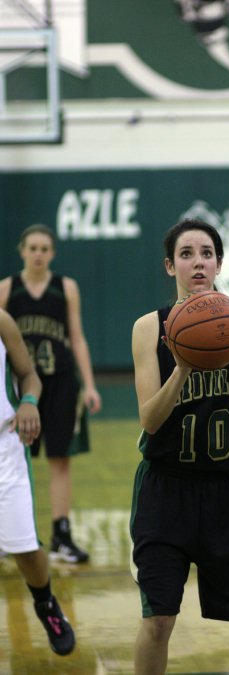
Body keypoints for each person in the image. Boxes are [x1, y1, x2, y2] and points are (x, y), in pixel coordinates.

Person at [130, 218, 229, 675]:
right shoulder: (148, 328)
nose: (197, 262)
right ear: (169, 266)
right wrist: (182, 367)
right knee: (158, 620)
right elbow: (150, 420)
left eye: (206, 253)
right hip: (166, 490)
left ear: (219, 262)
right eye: (186, 254)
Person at [0, 224, 102, 564]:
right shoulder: (6, 289)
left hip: (60, 383)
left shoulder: (66, 288)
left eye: (45, 248)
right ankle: (10, 533)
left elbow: (77, 336)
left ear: (52, 253)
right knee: (12, 462)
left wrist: (88, 384)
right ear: (22, 251)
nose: (39, 254)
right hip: (20, 387)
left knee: (60, 460)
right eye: (33, 248)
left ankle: (61, 534)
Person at [0, 308, 75, 655]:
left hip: (5, 446)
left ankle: (46, 606)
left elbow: (29, 375)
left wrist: (29, 401)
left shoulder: (1, 320)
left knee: (26, 549)